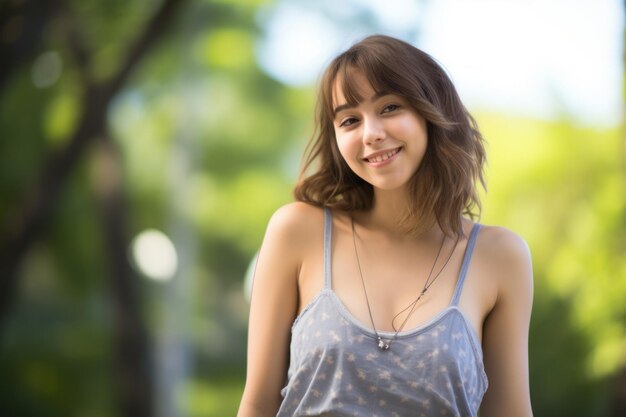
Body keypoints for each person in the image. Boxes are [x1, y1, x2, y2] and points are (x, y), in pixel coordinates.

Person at [237, 34, 533, 417]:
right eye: (349, 120)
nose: (371, 133)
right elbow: (258, 403)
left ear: (431, 112)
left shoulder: (499, 256)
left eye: (390, 107)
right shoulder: (297, 231)